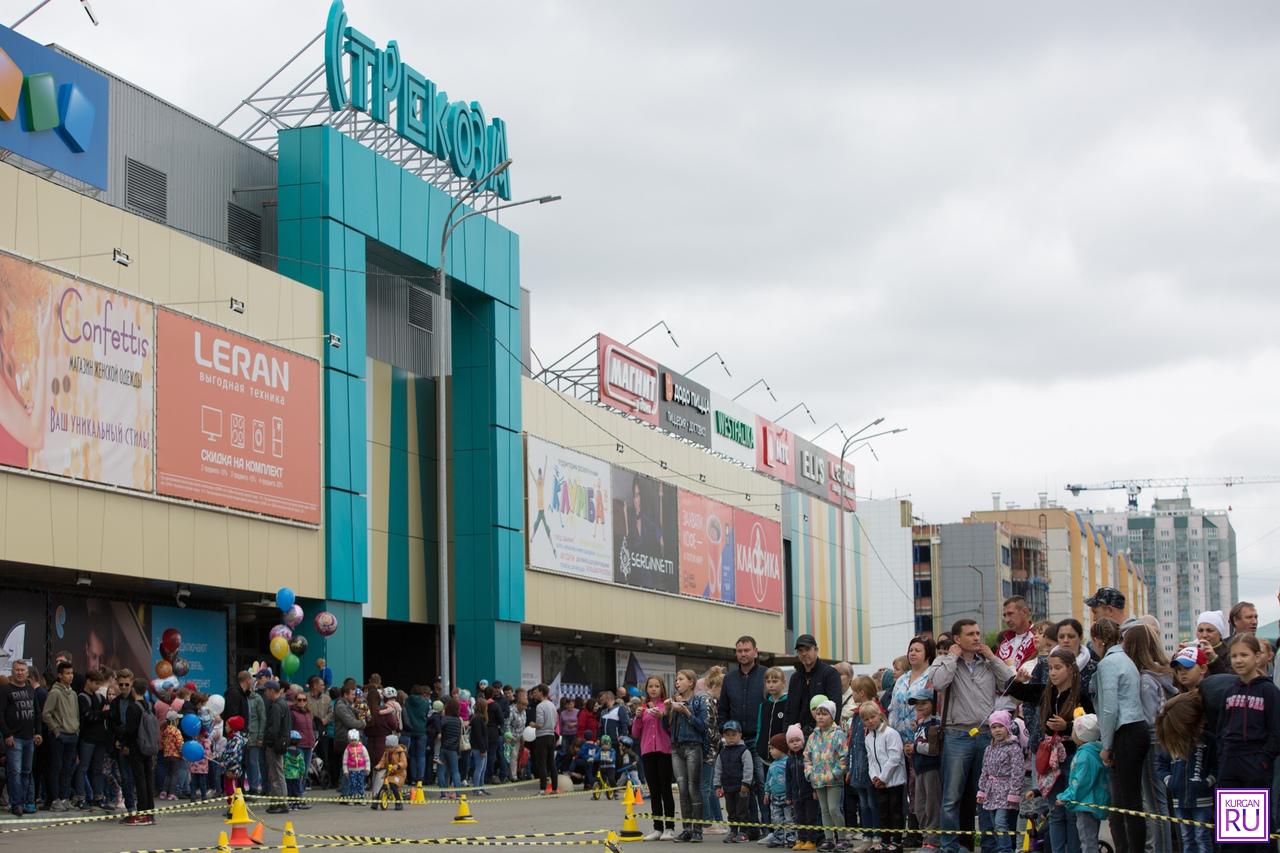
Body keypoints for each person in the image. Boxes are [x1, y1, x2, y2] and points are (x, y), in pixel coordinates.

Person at [924, 619, 1015, 853]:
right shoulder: (943, 661)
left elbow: (1010, 683)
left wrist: (993, 659)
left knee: (987, 796)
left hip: (987, 736)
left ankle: (989, 846)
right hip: (957, 735)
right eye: (971, 634)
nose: (977, 637)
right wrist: (952, 658)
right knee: (951, 797)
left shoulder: (987, 662)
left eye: (978, 633)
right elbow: (939, 683)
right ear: (957, 639)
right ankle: (949, 846)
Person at [1215, 633, 1280, 853]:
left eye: (1244, 654)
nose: (1239, 660)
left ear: (1257, 656)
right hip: (1230, 766)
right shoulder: (1229, 691)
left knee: (1256, 835)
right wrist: (1223, 757)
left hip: (1255, 764)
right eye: (1234, 656)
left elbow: (1276, 731)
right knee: (1233, 837)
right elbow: (1221, 730)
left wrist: (1263, 760)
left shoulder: (1269, 691)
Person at [1091, 618, 1147, 853]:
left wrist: (1106, 744)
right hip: (1137, 728)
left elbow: (1109, 708)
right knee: (1125, 801)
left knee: (1128, 803)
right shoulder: (1126, 659)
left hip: (1125, 731)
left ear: (1097, 641)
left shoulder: (1108, 663)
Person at [1124, 624, 1177, 853]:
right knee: (1160, 802)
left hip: (1152, 741)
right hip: (1164, 740)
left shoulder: (1145, 679)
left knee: (1156, 805)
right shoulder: (1161, 674)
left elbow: (1147, 717)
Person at [1154, 692, 1215, 853]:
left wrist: (1207, 781)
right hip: (1178, 799)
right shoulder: (1171, 740)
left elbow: (1216, 764)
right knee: (1186, 838)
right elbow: (1160, 764)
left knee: (1202, 836)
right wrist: (1170, 781)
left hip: (1202, 799)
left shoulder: (1207, 740)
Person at [721, 636, 767, 828]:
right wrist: (725, 734)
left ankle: (769, 827)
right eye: (739, 651)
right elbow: (723, 709)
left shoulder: (766, 675)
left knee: (762, 785)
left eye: (747, 650)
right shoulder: (729, 679)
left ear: (755, 651)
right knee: (743, 787)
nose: (743, 654)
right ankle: (750, 827)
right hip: (736, 742)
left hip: (760, 739)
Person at [633, 675, 676, 841]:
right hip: (647, 752)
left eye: (657, 686)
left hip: (664, 751)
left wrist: (663, 717)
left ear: (662, 688)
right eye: (650, 686)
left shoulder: (667, 705)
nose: (653, 689)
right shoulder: (643, 709)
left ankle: (670, 827)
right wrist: (637, 717)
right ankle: (657, 828)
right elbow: (636, 733)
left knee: (666, 789)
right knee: (654, 791)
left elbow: (671, 728)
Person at [667, 669, 708, 842]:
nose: (677, 682)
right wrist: (667, 710)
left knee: (693, 788)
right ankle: (687, 829)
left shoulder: (699, 700)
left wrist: (686, 711)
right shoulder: (674, 701)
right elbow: (666, 727)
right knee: (682, 790)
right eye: (676, 680)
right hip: (676, 748)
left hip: (693, 746)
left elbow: (703, 727)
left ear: (691, 682)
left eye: (681, 679)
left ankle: (697, 830)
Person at [1058, 714, 1108, 853]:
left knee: (1087, 841)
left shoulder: (1084, 756)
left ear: (1081, 735)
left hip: (1085, 803)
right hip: (1094, 801)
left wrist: (1066, 797)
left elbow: (1079, 782)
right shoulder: (1096, 750)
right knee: (1090, 839)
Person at [976, 711, 1024, 853]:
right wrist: (982, 790)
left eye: (1000, 726)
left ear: (1007, 728)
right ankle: (1000, 847)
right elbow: (985, 771)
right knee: (993, 824)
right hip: (991, 792)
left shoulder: (1014, 748)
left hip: (1005, 791)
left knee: (1000, 823)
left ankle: (1005, 849)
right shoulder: (989, 749)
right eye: (994, 727)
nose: (997, 730)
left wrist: (1014, 793)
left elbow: (1018, 772)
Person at [863, 700, 906, 853]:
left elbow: (894, 758)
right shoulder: (868, 738)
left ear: (879, 715)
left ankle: (897, 841)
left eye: (872, 717)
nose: (870, 721)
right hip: (879, 783)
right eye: (866, 719)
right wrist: (874, 777)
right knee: (882, 812)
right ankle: (885, 840)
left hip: (894, 781)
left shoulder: (890, 733)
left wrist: (883, 777)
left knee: (895, 811)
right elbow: (871, 760)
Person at [1, 659, 41, 816]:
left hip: (29, 738)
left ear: (27, 673)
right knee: (15, 772)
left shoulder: (31, 690)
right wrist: (7, 734)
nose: (19, 672)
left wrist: (38, 732)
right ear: (12, 671)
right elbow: (0, 715)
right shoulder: (5, 690)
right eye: (17, 670)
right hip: (14, 738)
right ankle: (16, 803)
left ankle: (24, 802)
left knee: (26, 771)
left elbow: (37, 713)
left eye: (22, 670)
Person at [846, 675, 880, 850]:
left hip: (871, 767)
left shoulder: (874, 712)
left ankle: (877, 837)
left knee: (873, 803)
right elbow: (851, 742)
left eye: (853, 691)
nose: (852, 694)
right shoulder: (855, 715)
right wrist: (850, 767)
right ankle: (867, 837)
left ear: (862, 692)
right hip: (858, 767)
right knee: (863, 804)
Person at [41, 659, 79, 811]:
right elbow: (46, 714)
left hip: (72, 734)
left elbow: (76, 714)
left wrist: (76, 729)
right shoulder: (55, 692)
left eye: (71, 673)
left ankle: (65, 798)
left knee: (67, 769)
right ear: (60, 675)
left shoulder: (74, 693)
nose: (70, 676)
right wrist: (56, 730)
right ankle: (55, 799)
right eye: (67, 674)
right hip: (60, 735)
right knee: (56, 767)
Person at [786, 635, 843, 735]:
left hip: (823, 735)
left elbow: (835, 707)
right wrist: (788, 733)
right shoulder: (795, 678)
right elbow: (789, 709)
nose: (804, 653)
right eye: (800, 650)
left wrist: (829, 733)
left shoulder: (830, 673)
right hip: (798, 737)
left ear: (816, 650)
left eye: (807, 649)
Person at [907, 693, 941, 852]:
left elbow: (934, 750)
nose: (919, 706)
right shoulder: (920, 724)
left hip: (931, 769)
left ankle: (933, 841)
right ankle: (926, 838)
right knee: (919, 807)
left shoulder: (936, 723)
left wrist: (914, 747)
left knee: (931, 806)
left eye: (924, 703)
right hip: (920, 769)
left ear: (933, 704)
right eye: (917, 704)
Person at [121, 679, 158, 826]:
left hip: (136, 747)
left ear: (134, 690)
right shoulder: (150, 706)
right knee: (149, 778)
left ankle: (141, 812)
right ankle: (150, 812)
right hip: (149, 746)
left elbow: (130, 730)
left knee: (139, 779)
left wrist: (123, 742)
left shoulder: (132, 707)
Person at [715, 720, 755, 844]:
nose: (731, 738)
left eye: (734, 734)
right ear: (724, 736)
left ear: (740, 735)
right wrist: (717, 785)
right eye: (728, 735)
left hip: (741, 788)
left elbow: (749, 768)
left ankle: (744, 832)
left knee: (742, 810)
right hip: (727, 787)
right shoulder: (722, 752)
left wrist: (746, 783)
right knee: (730, 810)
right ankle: (733, 830)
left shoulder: (744, 751)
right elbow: (718, 769)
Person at [76, 668, 111, 810]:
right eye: (96, 683)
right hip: (87, 738)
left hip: (100, 739)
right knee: (82, 768)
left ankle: (98, 796)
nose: (97, 687)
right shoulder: (81, 697)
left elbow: (104, 714)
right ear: (88, 682)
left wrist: (101, 714)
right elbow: (88, 716)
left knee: (98, 769)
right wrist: (102, 714)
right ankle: (81, 798)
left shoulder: (99, 697)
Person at [701, 667, 728, 835]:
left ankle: (717, 821)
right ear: (717, 686)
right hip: (709, 749)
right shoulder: (707, 700)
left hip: (711, 749)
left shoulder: (710, 700)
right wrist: (720, 741)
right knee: (707, 787)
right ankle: (710, 822)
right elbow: (709, 728)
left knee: (710, 786)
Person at [786, 724, 819, 852]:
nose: (795, 744)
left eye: (797, 740)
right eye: (792, 741)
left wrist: (815, 789)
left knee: (811, 817)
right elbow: (788, 779)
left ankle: (811, 840)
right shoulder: (789, 760)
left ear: (803, 741)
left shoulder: (807, 756)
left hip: (809, 793)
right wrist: (789, 796)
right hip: (796, 795)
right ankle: (802, 839)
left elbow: (813, 774)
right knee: (799, 818)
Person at [262, 680, 291, 815]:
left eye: (266, 690)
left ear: (272, 690)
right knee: (275, 773)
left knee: (276, 773)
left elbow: (274, 728)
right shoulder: (283, 704)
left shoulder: (276, 706)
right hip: (281, 742)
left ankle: (281, 802)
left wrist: (268, 741)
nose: (265, 692)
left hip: (275, 744)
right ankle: (275, 802)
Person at [1053, 619, 1099, 701]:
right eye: (1061, 637)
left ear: (1080, 637)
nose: (1065, 640)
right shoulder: (1044, 664)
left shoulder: (1093, 668)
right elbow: (1031, 698)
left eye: (1071, 636)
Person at [763, 733, 793, 849]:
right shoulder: (772, 765)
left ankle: (791, 838)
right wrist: (767, 793)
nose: (770, 751)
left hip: (787, 796)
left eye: (772, 748)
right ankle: (778, 839)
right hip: (774, 797)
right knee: (776, 819)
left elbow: (791, 780)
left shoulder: (788, 763)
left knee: (789, 819)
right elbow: (768, 780)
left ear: (782, 748)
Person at [995, 597, 1038, 673]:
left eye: (1010, 614)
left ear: (1024, 612)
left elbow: (1024, 673)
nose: (1006, 620)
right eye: (1004, 615)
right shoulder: (1005, 641)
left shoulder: (1036, 638)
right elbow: (996, 671)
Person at [288, 688, 316, 802]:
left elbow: (312, 727)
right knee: (297, 770)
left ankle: (300, 792)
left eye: (304, 700)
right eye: (299, 700)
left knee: (304, 771)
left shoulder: (309, 713)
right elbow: (290, 728)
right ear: (295, 701)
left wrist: (314, 738)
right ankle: (297, 794)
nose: (302, 702)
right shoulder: (292, 713)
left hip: (309, 744)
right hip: (298, 744)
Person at [530, 685, 559, 795]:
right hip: (552, 735)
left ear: (541, 693)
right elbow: (556, 722)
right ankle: (555, 788)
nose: (534, 694)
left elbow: (540, 724)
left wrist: (533, 725)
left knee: (541, 763)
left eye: (536, 692)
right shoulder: (552, 705)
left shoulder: (540, 706)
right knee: (552, 763)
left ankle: (542, 789)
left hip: (542, 737)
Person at [245, 674, 267, 796]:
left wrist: (260, 737)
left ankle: (254, 787)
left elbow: (262, 718)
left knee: (254, 762)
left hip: (255, 736)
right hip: (245, 736)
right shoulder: (243, 698)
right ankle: (249, 787)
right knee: (247, 762)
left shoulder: (257, 699)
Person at [373, 732, 408, 810]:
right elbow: (383, 761)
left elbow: (404, 763)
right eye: (387, 747)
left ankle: (398, 803)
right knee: (382, 787)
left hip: (399, 774)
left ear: (395, 746)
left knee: (393, 785)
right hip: (390, 773)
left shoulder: (400, 753)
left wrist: (397, 766)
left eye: (390, 747)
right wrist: (379, 766)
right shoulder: (386, 753)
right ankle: (376, 802)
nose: (388, 749)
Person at [403, 685, 430, 786]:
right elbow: (426, 715)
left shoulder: (407, 702)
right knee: (421, 755)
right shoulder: (425, 703)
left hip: (410, 730)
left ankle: (413, 778)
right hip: (422, 731)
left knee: (412, 755)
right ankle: (420, 778)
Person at [341, 729, 370, 804]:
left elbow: (367, 759)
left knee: (361, 784)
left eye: (355, 740)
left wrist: (367, 768)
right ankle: (352, 798)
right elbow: (344, 761)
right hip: (351, 770)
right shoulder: (347, 749)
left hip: (361, 769)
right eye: (351, 740)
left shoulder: (363, 748)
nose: (353, 742)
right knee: (352, 784)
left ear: (358, 739)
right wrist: (345, 771)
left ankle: (361, 798)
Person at [469, 695, 490, 795]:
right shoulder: (478, 719)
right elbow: (479, 736)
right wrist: (483, 749)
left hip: (481, 747)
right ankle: (476, 788)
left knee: (483, 768)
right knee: (479, 768)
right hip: (479, 748)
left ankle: (481, 787)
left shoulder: (478, 718)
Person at [283, 730, 306, 810]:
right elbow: (302, 764)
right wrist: (302, 772)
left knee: (289, 789)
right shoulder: (299, 753)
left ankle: (289, 803)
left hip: (287, 774)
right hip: (296, 775)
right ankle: (296, 804)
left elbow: (283, 762)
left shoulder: (285, 752)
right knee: (297, 789)